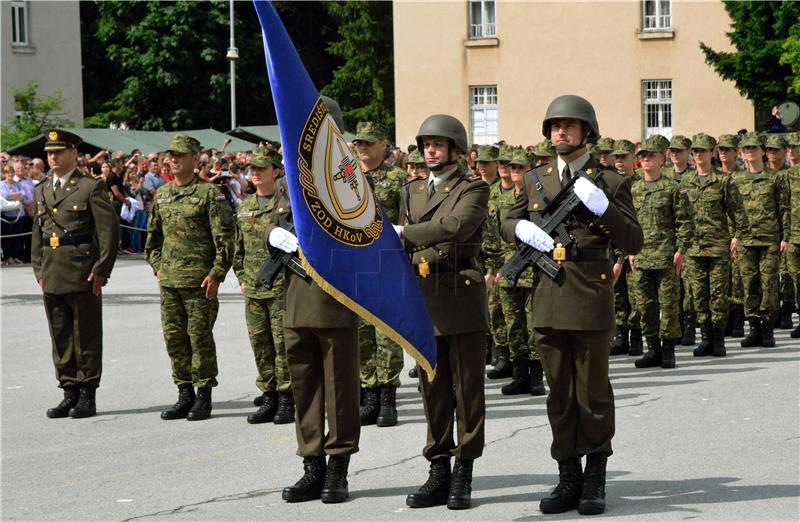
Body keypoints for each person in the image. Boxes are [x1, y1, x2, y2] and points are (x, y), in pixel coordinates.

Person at [500, 95, 643, 515]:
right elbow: (505, 222)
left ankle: (595, 477)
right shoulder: (534, 179)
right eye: (554, 126)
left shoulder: (610, 182)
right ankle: (568, 477)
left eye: (569, 126)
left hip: (590, 294)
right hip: (547, 294)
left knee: (592, 393)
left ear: (586, 132)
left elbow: (632, 240)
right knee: (559, 393)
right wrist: (520, 229)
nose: (560, 132)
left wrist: (603, 212)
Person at [268, 97, 360, 504]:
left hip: (334, 299)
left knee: (339, 390)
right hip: (296, 300)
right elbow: (276, 220)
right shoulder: (290, 178)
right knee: (304, 388)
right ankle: (312, 464)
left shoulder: (349, 179)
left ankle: (338, 468)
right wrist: (275, 235)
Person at [396, 114, 488, 510]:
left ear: (455, 149)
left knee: (467, 391)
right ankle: (438, 468)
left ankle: (464, 471)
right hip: (423, 298)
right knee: (432, 390)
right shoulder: (412, 190)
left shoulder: (474, 187)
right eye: (425, 145)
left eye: (437, 144)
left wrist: (405, 233)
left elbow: (456, 226)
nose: (429, 151)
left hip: (460, 295)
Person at [145, 134, 234, 421]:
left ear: (195, 160)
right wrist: (158, 267)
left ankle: (204, 396)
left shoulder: (210, 194)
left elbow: (225, 240)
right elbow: (153, 240)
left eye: (179, 155)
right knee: (174, 340)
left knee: (200, 340)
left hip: (199, 283)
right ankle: (184, 393)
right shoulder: (162, 195)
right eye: (170, 155)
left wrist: (217, 274)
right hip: (170, 283)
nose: (172, 160)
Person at [31, 129, 119, 418]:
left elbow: (108, 232)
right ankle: (68, 390)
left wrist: (101, 269)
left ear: (73, 153)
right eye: (49, 153)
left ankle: (87, 393)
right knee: (60, 334)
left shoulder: (90, 187)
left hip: (83, 271)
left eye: (58, 152)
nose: (52, 157)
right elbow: (38, 235)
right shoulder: (42, 188)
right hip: (53, 271)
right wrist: (38, 268)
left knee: (86, 334)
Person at [233, 148, 294, 425]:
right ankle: (268, 396)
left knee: (283, 345)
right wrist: (242, 278)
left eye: (261, 169)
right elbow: (238, 248)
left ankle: (286, 398)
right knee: (260, 344)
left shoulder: (287, 207)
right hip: (254, 289)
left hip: (281, 287)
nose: (255, 174)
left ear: (277, 171)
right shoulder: (245, 207)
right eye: (252, 170)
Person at [351, 121, 407, 428]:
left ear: (383, 145)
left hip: (386, 265)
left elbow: (406, 220)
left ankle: (388, 398)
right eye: (358, 143)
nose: (362, 147)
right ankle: (369, 393)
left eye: (368, 143)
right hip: (356, 266)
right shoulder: (346, 177)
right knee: (361, 335)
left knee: (387, 333)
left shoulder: (398, 179)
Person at [628, 136, 693, 369]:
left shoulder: (673, 189)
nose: (645, 159)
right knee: (644, 306)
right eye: (642, 156)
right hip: (641, 257)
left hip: (666, 256)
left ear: (661, 159)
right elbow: (629, 223)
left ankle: (668, 351)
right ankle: (652, 348)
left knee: (669, 305)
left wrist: (681, 251)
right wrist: (629, 251)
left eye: (650, 155)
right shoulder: (634, 188)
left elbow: (685, 222)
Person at [681, 133, 748, 357]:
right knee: (699, 295)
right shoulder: (685, 183)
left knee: (718, 294)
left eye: (703, 150)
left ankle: (718, 339)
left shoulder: (722, 181)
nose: (698, 154)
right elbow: (678, 216)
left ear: (712, 153)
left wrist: (737, 236)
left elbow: (738, 211)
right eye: (695, 151)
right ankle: (706, 338)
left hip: (718, 246)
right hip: (693, 249)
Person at [496, 148, 546, 395]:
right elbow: (491, 237)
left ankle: (536, 376)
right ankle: (519, 374)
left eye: (521, 168)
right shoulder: (500, 199)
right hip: (507, 271)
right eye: (513, 168)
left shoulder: (539, 198)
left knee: (533, 325)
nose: (516, 172)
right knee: (513, 325)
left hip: (534, 270)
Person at [733, 132, 788, 348]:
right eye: (746, 149)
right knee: (749, 284)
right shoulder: (736, 180)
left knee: (769, 284)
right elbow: (733, 212)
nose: (749, 152)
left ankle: (767, 328)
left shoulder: (775, 178)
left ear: (762, 151)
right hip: (746, 240)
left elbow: (784, 210)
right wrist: (735, 236)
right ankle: (754, 327)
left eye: (753, 148)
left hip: (769, 240)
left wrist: (786, 238)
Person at [609, 139, 643, 357]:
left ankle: (637, 336)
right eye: (617, 157)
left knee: (636, 294)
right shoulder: (610, 184)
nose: (620, 161)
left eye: (624, 157)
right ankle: (621, 335)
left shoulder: (638, 184)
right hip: (613, 247)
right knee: (618, 295)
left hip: (635, 247)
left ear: (634, 159)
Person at [717, 134, 746, 337]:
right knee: (721, 281)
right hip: (717, 236)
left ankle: (738, 319)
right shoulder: (715, 177)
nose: (724, 153)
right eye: (721, 149)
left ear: (737, 152)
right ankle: (724, 319)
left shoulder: (744, 176)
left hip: (740, 235)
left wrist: (738, 234)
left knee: (738, 280)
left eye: (728, 149)